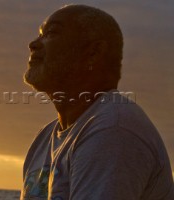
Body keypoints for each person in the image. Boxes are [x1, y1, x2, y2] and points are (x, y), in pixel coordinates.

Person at [21, 4, 174, 200]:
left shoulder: (113, 130)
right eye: (40, 34)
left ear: (93, 52)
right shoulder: (45, 139)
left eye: (51, 33)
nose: (33, 44)